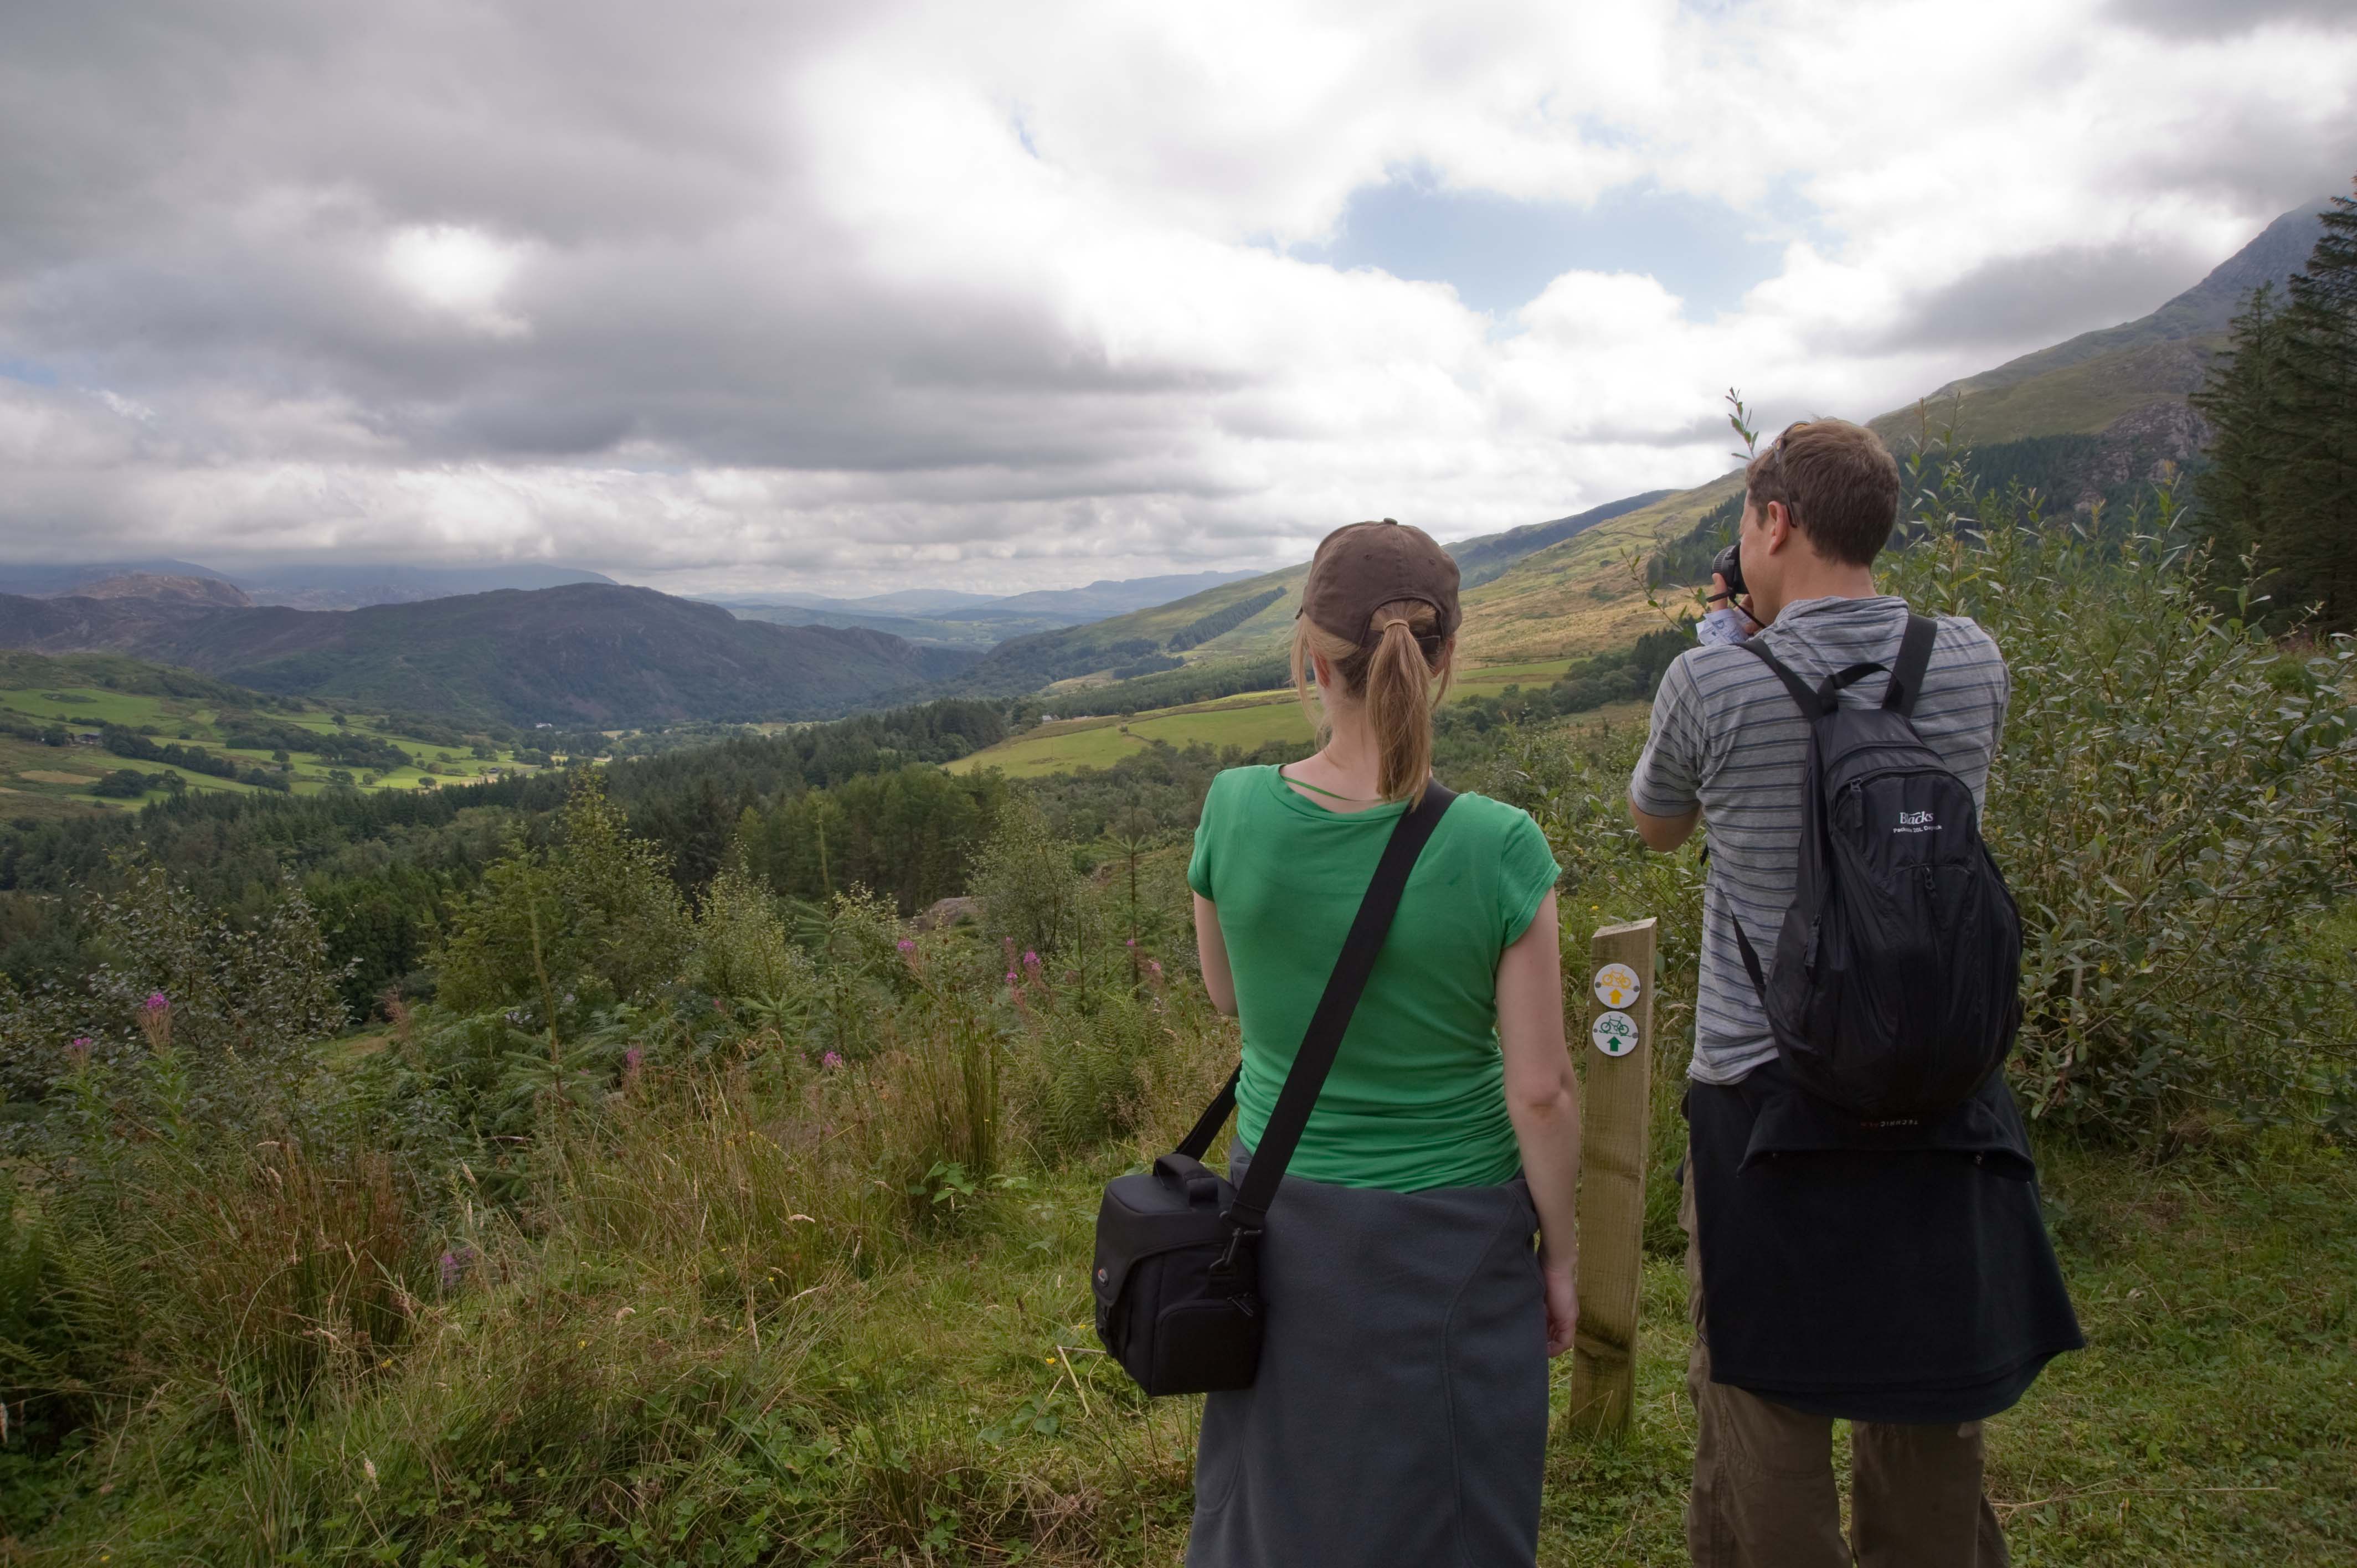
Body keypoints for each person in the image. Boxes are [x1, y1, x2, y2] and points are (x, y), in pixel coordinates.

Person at [1628, 421, 2081, 1568]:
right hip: (1938, 1075)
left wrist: (1733, 638)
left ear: (1774, 522)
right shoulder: (1970, 657)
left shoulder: (1711, 678)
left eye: (1744, 517)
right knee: (1927, 1392)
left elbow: (1658, 828)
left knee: (1761, 1396)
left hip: (1761, 1091)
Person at [1184, 519, 1582, 1568]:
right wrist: (1565, 1257)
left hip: (1273, 1227)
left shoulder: (1232, 809)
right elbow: (1540, 1092)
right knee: (1451, 1512)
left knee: (1278, 1506)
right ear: (1446, 657)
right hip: (1452, 1244)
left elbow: (1226, 1000)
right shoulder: (1501, 846)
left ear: (1312, 658)